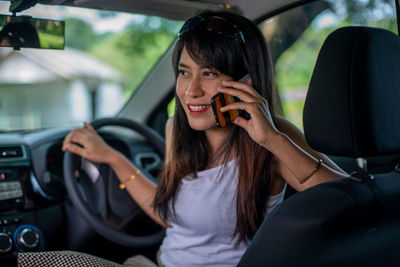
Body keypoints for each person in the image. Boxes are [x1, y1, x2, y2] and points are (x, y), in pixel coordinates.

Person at [18, 10, 346, 267]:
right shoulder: (177, 128)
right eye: (185, 72)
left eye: (210, 73)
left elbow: (348, 198)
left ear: (245, 81)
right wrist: (111, 157)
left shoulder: (275, 135)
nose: (191, 92)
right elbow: (171, 216)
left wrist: (272, 140)